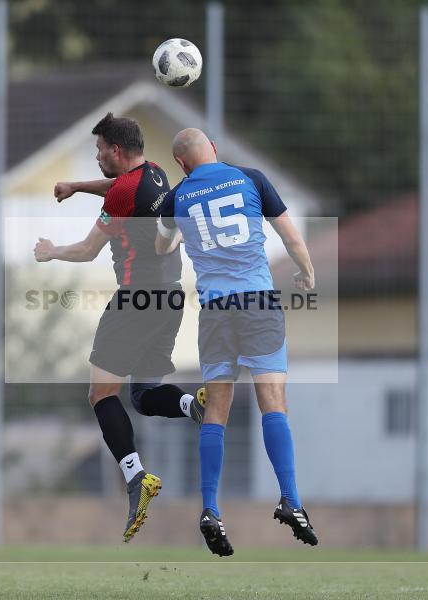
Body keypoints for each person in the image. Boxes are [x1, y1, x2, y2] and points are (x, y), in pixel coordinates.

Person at [34, 113, 204, 543]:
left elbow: (89, 251)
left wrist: (53, 251)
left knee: (100, 393)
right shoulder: (157, 175)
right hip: (170, 299)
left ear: (115, 149)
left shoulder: (123, 193)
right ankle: (194, 406)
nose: (95, 157)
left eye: (98, 150)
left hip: (135, 300)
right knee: (144, 397)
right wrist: (76, 188)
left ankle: (136, 478)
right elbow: (120, 187)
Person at [155, 128, 318, 556]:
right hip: (257, 304)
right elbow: (292, 237)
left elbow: (161, 244)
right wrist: (306, 271)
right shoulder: (251, 178)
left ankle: (210, 508)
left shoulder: (176, 198)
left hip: (214, 313)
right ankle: (292, 501)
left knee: (216, 412)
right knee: (272, 401)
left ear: (182, 164)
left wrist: (174, 232)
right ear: (213, 149)